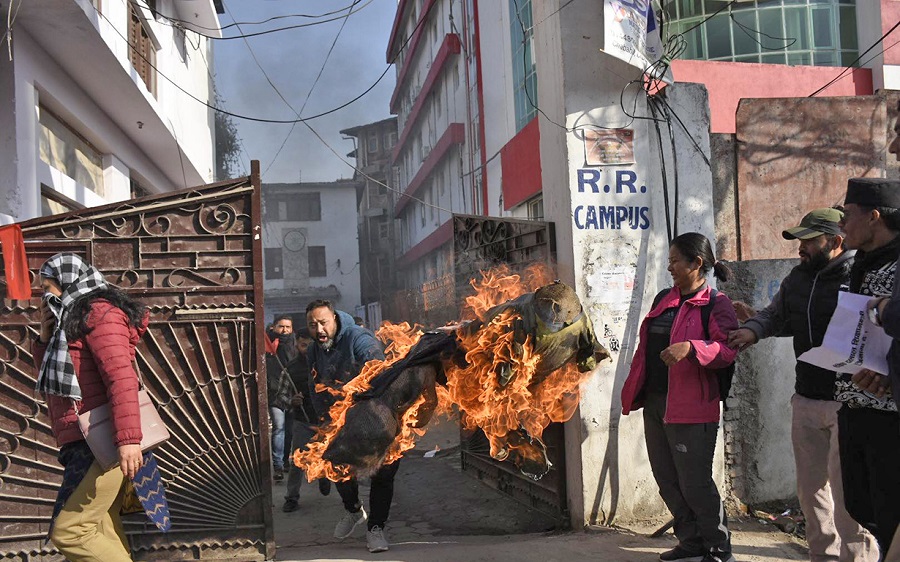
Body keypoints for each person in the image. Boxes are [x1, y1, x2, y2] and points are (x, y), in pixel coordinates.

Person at [728, 208, 878, 561]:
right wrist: (752, 329)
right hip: (807, 398)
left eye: (809, 242)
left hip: (849, 401)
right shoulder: (797, 279)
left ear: (836, 241)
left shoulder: (861, 277)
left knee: (849, 496)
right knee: (811, 491)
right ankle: (823, 556)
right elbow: (777, 315)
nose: (801, 249)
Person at [34, 253, 170, 562]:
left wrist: (128, 440)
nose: (44, 295)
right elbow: (53, 385)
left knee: (71, 532)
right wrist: (45, 337)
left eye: (48, 287)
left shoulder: (99, 312)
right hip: (84, 441)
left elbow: (121, 377)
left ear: (66, 281)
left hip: (103, 442)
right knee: (101, 528)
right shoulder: (68, 318)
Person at [620, 232, 739, 562]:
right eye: (669, 260)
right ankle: (690, 542)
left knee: (695, 483)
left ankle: (718, 548)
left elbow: (728, 350)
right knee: (667, 479)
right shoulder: (664, 299)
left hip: (692, 407)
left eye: (675, 260)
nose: (669, 266)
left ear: (696, 263)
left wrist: (692, 348)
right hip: (657, 403)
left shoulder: (716, 304)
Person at [833, 177, 900, 556]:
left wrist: (889, 369)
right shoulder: (858, 265)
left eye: (847, 216)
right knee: (860, 504)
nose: (841, 225)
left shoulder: (897, 268)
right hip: (854, 401)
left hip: (889, 411)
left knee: (891, 512)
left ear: (874, 217)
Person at [306, 299, 395, 554]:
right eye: (313, 325)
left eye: (323, 323)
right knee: (335, 464)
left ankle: (376, 528)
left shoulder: (359, 338)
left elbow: (377, 369)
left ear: (334, 318)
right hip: (340, 418)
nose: (319, 330)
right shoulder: (314, 349)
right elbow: (314, 387)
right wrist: (324, 418)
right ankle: (354, 510)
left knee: (384, 471)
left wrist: (353, 396)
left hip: (377, 414)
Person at [282, 328, 332, 512]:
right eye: (303, 345)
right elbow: (281, 396)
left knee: (327, 455)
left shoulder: (327, 364)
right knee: (297, 461)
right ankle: (292, 498)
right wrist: (291, 401)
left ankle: (324, 476)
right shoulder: (291, 368)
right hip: (302, 420)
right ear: (297, 344)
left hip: (326, 420)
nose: (307, 348)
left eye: (310, 345)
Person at [266, 314, 298, 482]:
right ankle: (277, 465)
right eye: (281, 327)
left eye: (288, 327)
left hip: (293, 394)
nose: (284, 330)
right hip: (275, 393)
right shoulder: (268, 345)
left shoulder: (296, 345)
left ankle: (286, 460)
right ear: (274, 327)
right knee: (279, 427)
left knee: (290, 431)